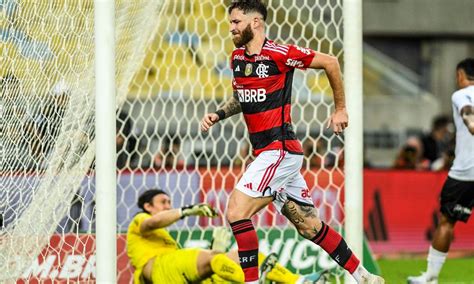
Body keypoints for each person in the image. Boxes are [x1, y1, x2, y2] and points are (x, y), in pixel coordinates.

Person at [200, 1, 384, 283]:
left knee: (237, 210)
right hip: (267, 153)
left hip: (280, 149)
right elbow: (242, 98)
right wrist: (219, 114)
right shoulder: (237, 59)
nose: (232, 28)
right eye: (231, 23)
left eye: (237, 22)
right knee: (308, 226)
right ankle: (364, 276)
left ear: (256, 23)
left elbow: (330, 62)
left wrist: (340, 109)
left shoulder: (280, 54)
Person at [127, 189, 328, 284]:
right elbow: (152, 222)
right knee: (215, 260)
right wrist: (186, 210)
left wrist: (216, 251)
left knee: (244, 256)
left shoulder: (165, 241)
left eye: (170, 201)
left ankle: (298, 281)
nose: (168, 205)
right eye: (163, 202)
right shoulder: (140, 220)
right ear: (148, 206)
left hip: (172, 275)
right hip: (155, 273)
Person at [407, 58, 474, 283]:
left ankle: (431, 277)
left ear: (460, 75)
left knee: (447, 221)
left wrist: (471, 123)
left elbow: (467, 111)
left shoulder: (460, 94)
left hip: (465, 173)